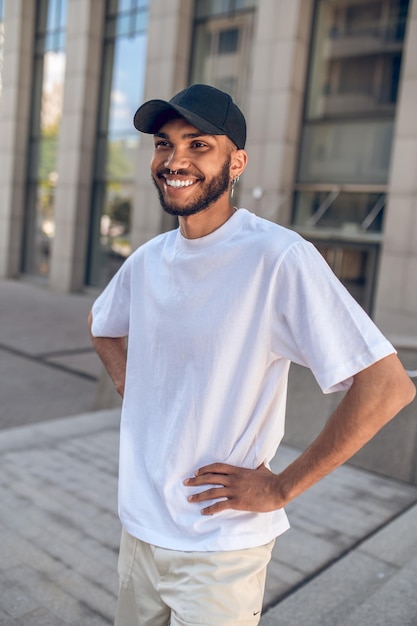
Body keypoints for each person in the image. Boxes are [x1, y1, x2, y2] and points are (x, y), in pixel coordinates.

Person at [88, 84, 415, 626]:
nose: (175, 160)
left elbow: (388, 387)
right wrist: (133, 384)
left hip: (221, 547)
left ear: (236, 162)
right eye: (164, 145)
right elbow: (103, 326)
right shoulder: (148, 260)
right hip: (140, 530)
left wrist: (282, 487)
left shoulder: (279, 258)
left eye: (199, 146)